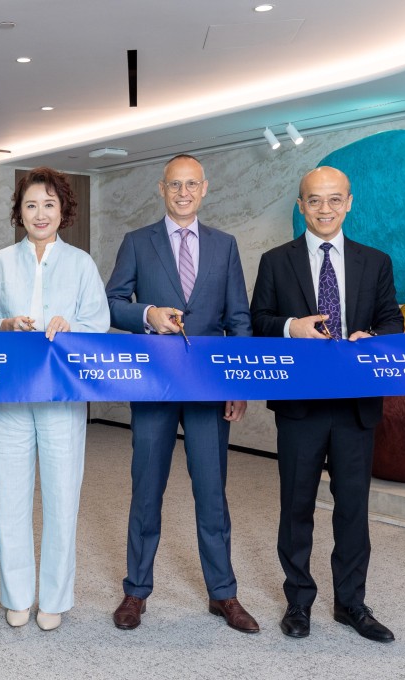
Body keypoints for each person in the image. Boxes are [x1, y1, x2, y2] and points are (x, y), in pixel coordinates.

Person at [105, 154, 258, 634]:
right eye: (175, 184)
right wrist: (147, 314)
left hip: (209, 387)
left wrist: (238, 383)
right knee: (146, 489)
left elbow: (239, 318)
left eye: (192, 184)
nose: (184, 192)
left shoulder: (225, 245)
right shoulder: (137, 242)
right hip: (155, 384)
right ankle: (136, 590)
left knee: (212, 492)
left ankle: (223, 593)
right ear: (162, 188)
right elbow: (112, 302)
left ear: (205, 188)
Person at [250, 166, 404, 643]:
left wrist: (372, 337)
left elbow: (393, 321)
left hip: (356, 406)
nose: (324, 209)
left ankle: (351, 604)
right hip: (301, 406)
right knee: (296, 507)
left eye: (334, 199)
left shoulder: (375, 262)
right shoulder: (276, 261)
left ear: (349, 203)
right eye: (314, 200)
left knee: (353, 509)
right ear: (301, 206)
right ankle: (298, 601)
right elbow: (258, 321)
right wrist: (291, 327)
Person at [0, 167, 109, 631]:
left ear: (62, 210)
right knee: (10, 497)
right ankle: (16, 595)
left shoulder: (81, 264)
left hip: (62, 397)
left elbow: (99, 325)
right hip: (11, 394)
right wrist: (4, 325)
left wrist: (73, 328)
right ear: (19, 212)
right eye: (31, 205)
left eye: (49, 204)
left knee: (62, 497)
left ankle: (54, 598)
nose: (40, 213)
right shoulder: (0, 262)